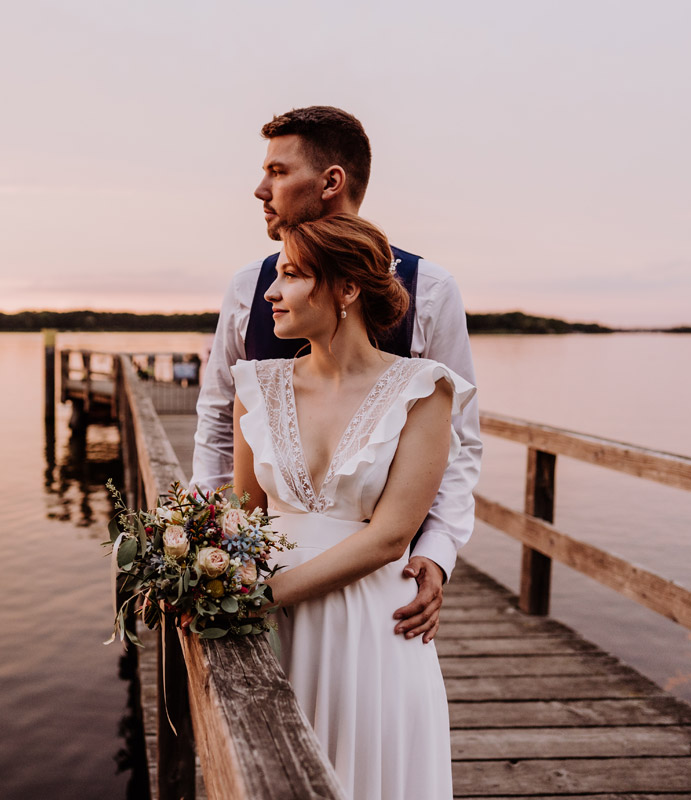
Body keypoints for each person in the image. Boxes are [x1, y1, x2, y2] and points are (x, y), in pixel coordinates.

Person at [192, 106, 481, 642]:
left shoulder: (432, 289)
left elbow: (461, 444)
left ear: (330, 182)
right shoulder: (245, 288)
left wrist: (437, 553)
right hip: (262, 577)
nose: (261, 189)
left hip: (378, 595)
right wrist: (208, 555)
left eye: (278, 172)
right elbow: (215, 428)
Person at [233, 213, 471, 799]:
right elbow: (240, 514)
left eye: (291, 275)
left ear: (345, 289)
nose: (270, 291)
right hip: (269, 628)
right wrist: (217, 585)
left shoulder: (424, 390)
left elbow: (391, 537)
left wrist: (263, 597)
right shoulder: (255, 386)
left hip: (371, 628)